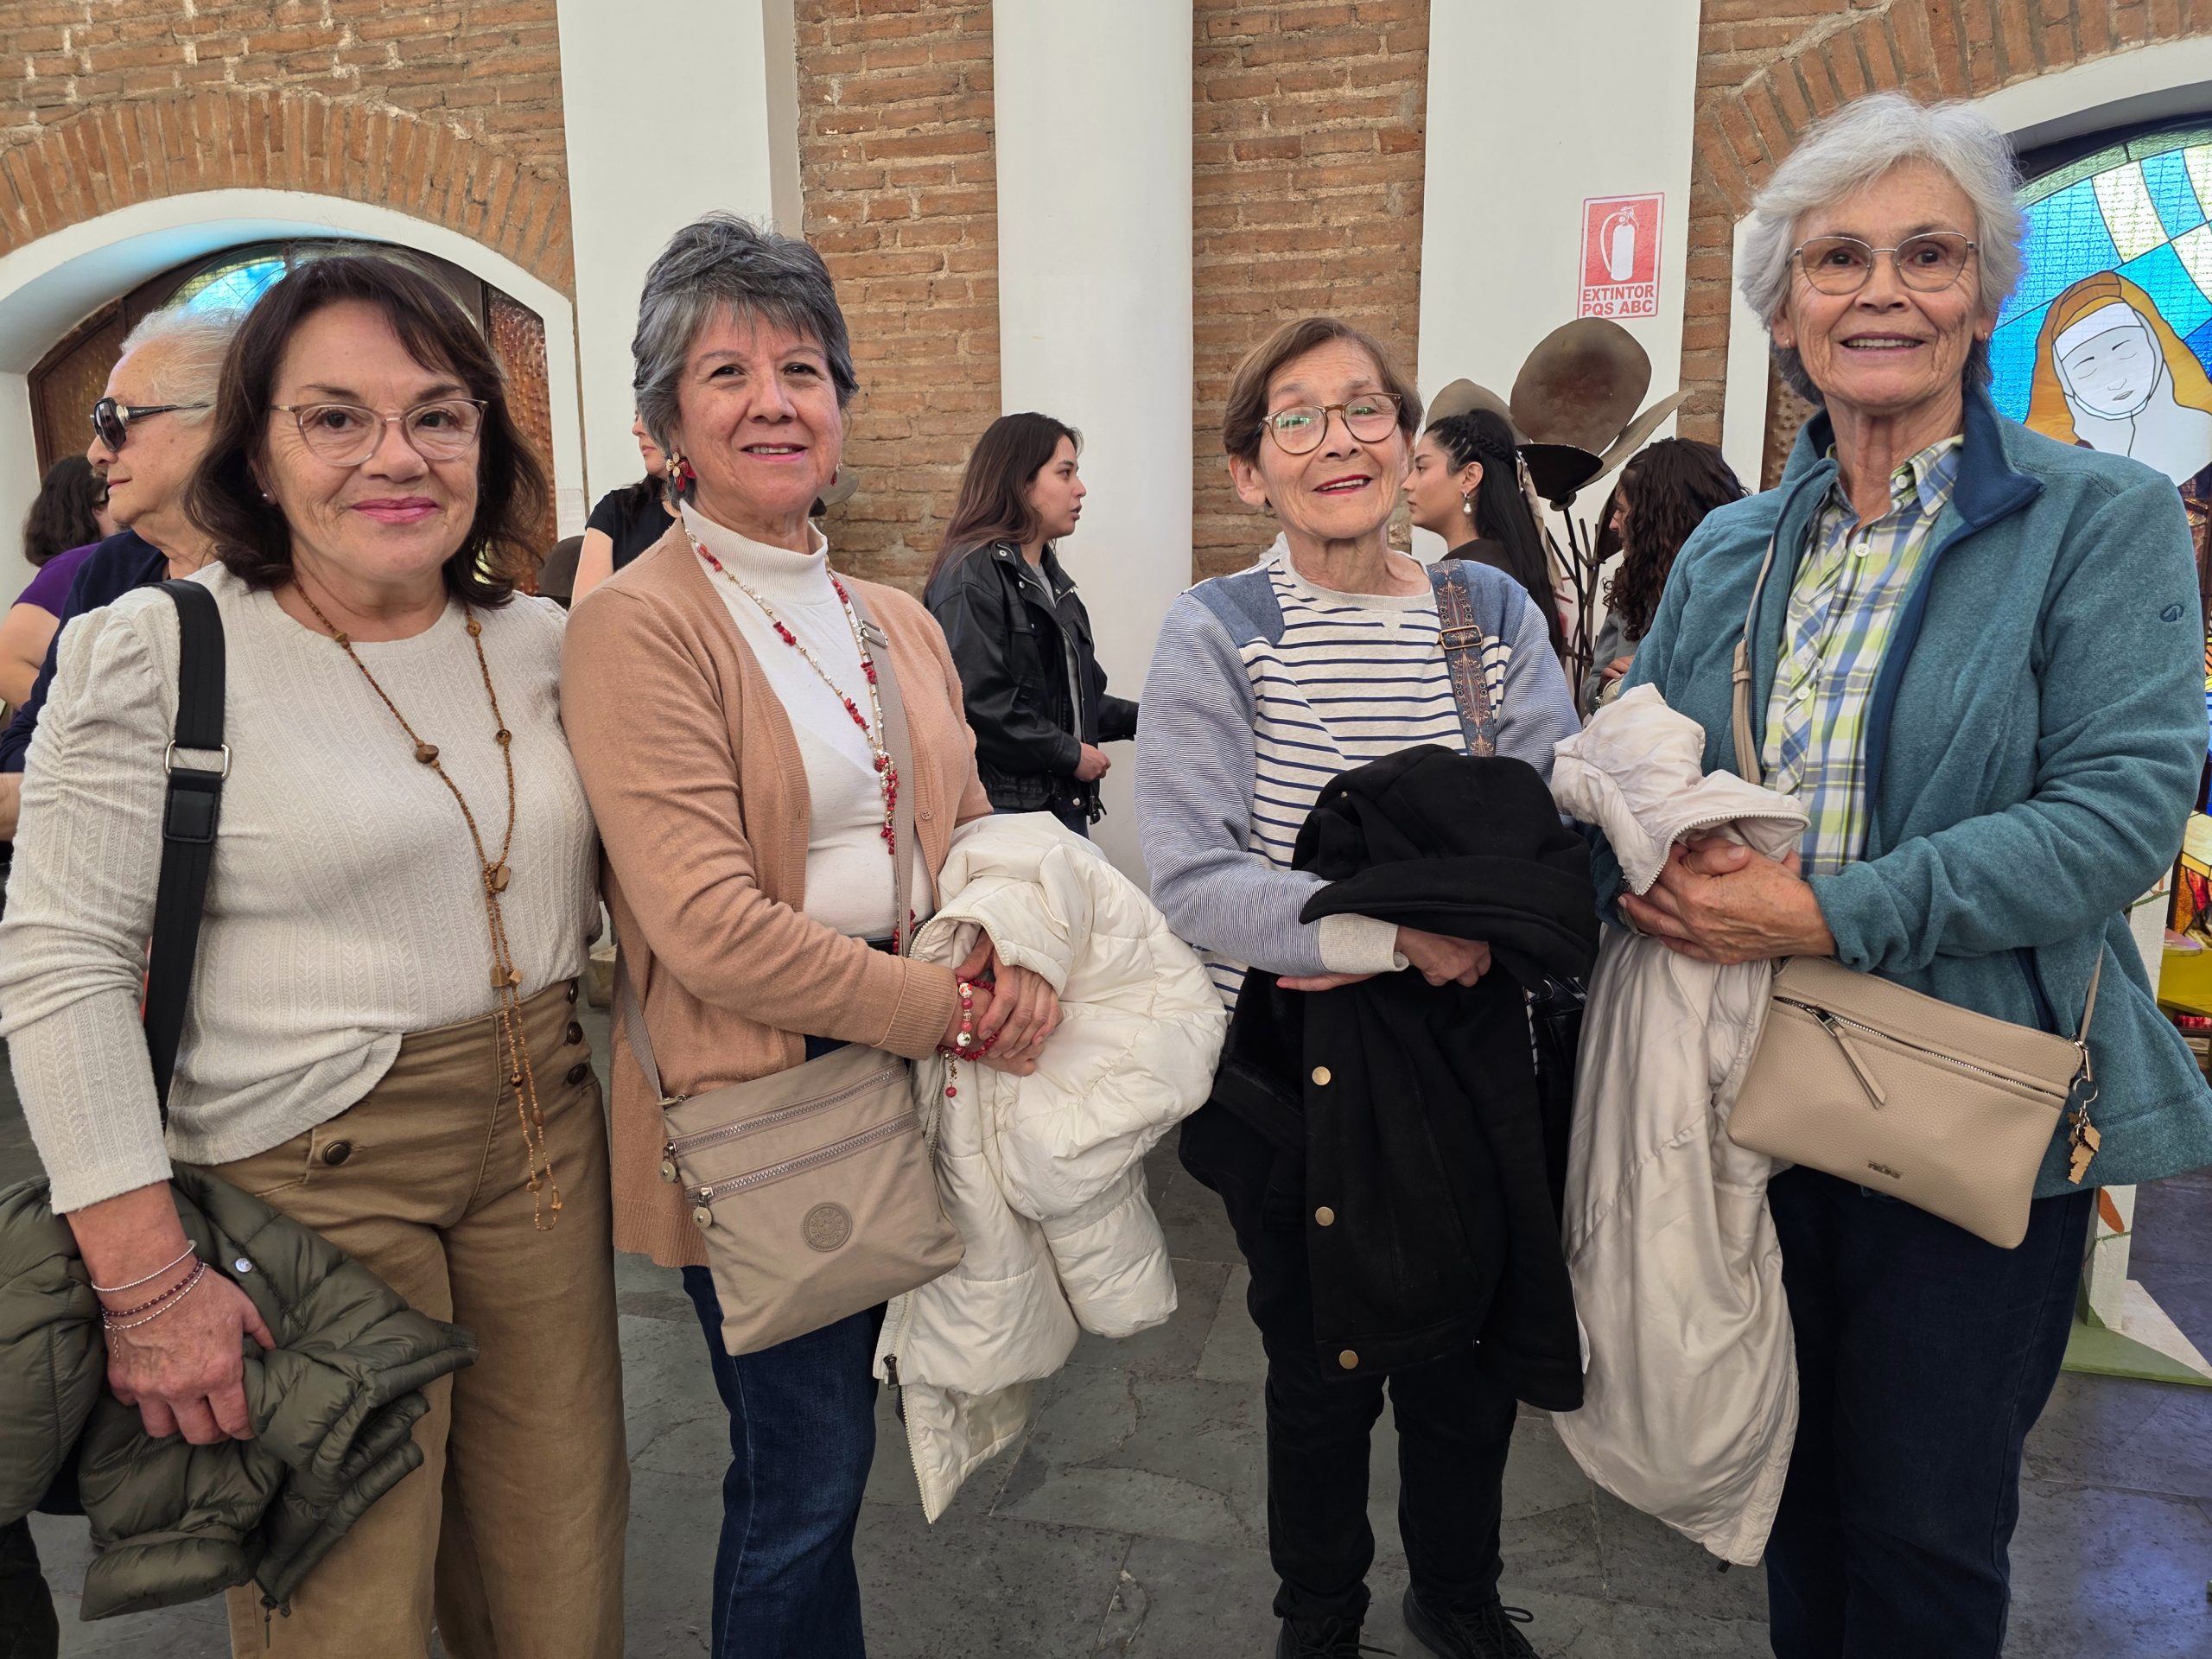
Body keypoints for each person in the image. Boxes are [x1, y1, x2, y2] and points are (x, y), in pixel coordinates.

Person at [1604, 92, 2212, 1656]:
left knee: (1930, 1531)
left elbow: (2119, 812)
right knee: (1791, 1486)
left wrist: (1828, 908)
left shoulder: (2105, 521)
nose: (1883, 290)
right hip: (1743, 1086)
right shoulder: (1739, 547)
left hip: (1966, 1096)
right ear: (1787, 310)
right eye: (1839, 258)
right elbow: (1648, 750)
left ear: (1988, 293)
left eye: (1927, 253)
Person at [0, 254, 626, 1659]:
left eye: (438, 413)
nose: (396, 454)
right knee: (344, 1609)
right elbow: (61, 966)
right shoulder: (156, 649)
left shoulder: (537, 640)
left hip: (545, 1138)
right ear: (257, 449)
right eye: (335, 417)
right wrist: (148, 1282)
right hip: (301, 1178)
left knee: (560, 1563)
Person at [561, 212, 1059, 1659]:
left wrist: (1010, 945)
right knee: (806, 1476)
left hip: (918, 1083)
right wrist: (950, 1004)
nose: (772, 399)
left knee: (832, 1470)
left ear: (840, 410)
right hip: (761, 1105)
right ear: (666, 431)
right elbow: (707, 927)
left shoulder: (890, 617)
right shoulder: (637, 627)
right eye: (725, 373)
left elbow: (976, 831)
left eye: (803, 367)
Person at [1136, 315, 1582, 1659]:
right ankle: (1319, 1611)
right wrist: (1405, 937)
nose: (1340, 440)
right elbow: (1198, 878)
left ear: (1407, 439)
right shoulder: (1220, 630)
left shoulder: (1484, 611)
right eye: (1297, 418)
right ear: (1247, 472)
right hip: (1299, 1072)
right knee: (1322, 1374)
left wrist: (1478, 918)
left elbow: (1553, 817)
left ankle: (1456, 1595)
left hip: (1473, 1052)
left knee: (1469, 1367)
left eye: (1366, 410)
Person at [922, 412, 1138, 835]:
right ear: (1021, 482)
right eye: (1065, 473)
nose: (1080, 488)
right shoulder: (973, 575)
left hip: (1057, 807)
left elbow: (1070, 705)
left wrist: (1153, 718)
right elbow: (978, 703)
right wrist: (1070, 753)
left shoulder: (1051, 580)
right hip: (1006, 814)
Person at [1579, 438, 1745, 712]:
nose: (1612, 524)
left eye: (1621, 510)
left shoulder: (1730, 597)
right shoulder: (1636, 586)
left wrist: (1654, 680)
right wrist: (1605, 689)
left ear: (1656, 518)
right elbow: (1593, 691)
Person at [1405, 404, 1568, 659]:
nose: (1407, 483)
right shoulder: (1510, 564)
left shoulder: (1471, 579)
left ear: (1469, 476)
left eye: (1422, 468)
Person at [3, 457, 113, 710]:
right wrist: (79, 720)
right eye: (108, 498)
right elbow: (6, 663)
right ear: (81, 508)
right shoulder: (75, 565)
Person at [570, 411, 675, 599]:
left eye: (650, 411)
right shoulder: (615, 511)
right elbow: (586, 620)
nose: (636, 429)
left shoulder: (730, 514)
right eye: (636, 415)